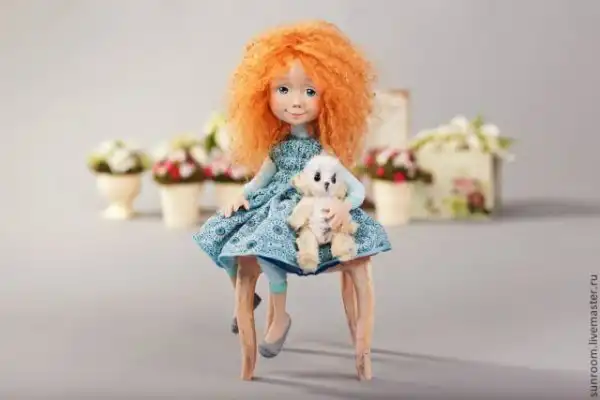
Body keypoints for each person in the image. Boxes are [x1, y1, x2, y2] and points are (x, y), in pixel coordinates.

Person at [192, 20, 391, 358]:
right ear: (263, 94)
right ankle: (247, 298)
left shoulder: (323, 152)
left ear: (330, 98)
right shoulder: (278, 148)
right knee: (219, 230)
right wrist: (242, 196)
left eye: (310, 91)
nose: (295, 102)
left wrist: (344, 205)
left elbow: (355, 189)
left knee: (269, 241)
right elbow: (260, 181)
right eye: (283, 89)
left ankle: (280, 316)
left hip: (305, 212)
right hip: (270, 204)